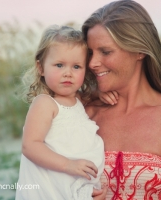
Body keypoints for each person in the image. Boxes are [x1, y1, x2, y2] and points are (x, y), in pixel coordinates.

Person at [82, 0, 161, 199]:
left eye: (105, 52)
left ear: (140, 51)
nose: (92, 63)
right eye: (90, 53)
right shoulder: (82, 113)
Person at [15, 25, 117, 200]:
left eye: (76, 67)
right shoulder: (45, 103)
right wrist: (68, 165)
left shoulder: (78, 101)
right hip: (46, 191)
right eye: (59, 65)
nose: (68, 73)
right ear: (41, 68)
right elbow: (30, 145)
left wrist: (98, 93)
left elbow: (83, 96)